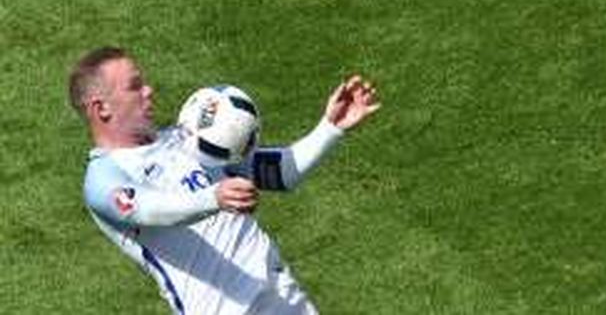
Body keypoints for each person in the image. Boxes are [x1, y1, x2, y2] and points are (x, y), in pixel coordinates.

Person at [69, 46, 380, 315]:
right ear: (102, 108)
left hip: (281, 294)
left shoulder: (187, 138)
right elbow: (151, 210)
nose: (148, 90)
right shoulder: (103, 179)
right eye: (134, 87)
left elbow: (279, 173)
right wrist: (213, 197)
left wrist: (330, 129)